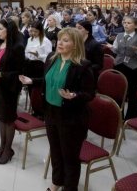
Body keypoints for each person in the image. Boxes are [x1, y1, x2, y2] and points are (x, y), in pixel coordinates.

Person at [19, 28, 95, 191]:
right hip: (51, 112)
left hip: (71, 116)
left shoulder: (82, 66)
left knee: (70, 156)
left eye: (66, 40)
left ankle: (69, 187)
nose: (60, 43)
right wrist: (32, 80)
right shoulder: (51, 59)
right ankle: (57, 182)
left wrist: (74, 96)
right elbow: (47, 81)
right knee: (55, 151)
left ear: (75, 45)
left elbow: (89, 94)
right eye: (60, 40)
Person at [0, 19, 25, 164]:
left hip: (9, 88)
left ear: (9, 30)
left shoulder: (17, 47)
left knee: (8, 120)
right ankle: (2, 147)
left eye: (1, 29)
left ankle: (8, 149)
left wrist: (3, 75)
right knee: (1, 117)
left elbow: (20, 72)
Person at [104, 16, 137, 120]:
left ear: (136, 25)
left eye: (129, 23)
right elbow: (117, 50)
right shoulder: (119, 35)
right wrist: (112, 48)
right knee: (117, 91)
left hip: (133, 68)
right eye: (125, 22)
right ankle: (118, 116)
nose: (126, 25)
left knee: (131, 93)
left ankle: (130, 118)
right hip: (119, 65)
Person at [76, 21, 104, 88]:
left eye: (79, 28)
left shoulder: (95, 44)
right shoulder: (76, 42)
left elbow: (99, 65)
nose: (76, 30)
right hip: (76, 74)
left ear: (87, 31)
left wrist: (86, 68)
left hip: (89, 76)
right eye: (76, 28)